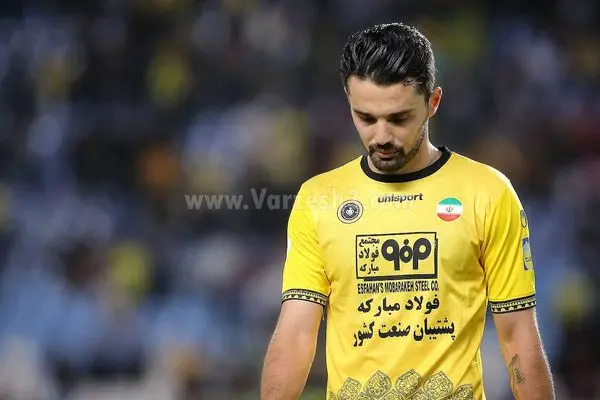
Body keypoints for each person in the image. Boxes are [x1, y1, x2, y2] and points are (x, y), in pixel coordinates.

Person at [260, 22, 555, 400]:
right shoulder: (319, 199)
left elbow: (517, 335)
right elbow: (297, 334)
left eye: (399, 118)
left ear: (433, 102)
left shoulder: (488, 193)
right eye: (365, 118)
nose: (381, 136)